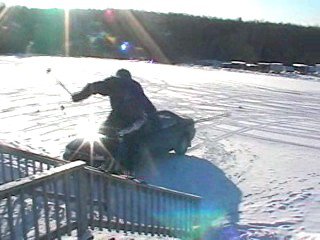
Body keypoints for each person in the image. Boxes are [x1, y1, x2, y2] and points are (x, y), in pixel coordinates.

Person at [72, 69, 158, 172]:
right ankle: (125, 168)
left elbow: (93, 87)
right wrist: (154, 115)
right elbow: (145, 102)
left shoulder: (113, 83)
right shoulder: (135, 86)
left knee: (104, 135)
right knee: (130, 140)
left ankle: (99, 159)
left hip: (119, 116)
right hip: (134, 118)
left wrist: (79, 96)